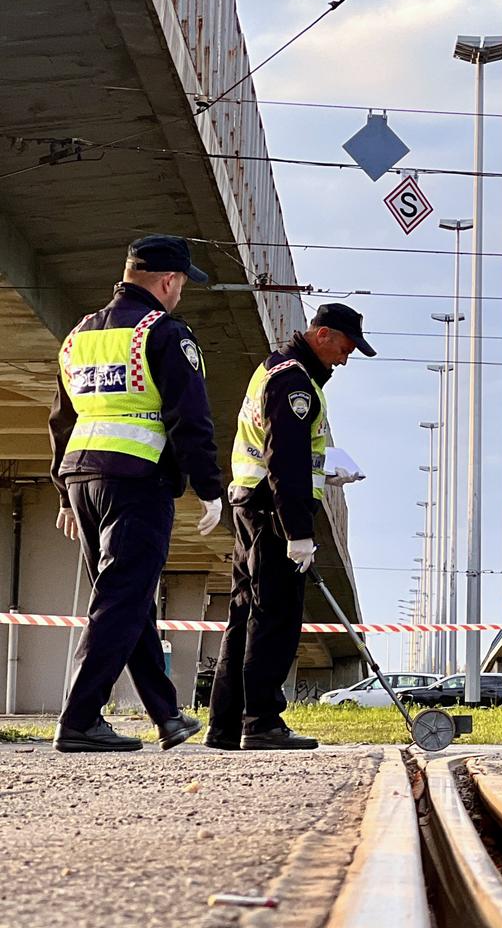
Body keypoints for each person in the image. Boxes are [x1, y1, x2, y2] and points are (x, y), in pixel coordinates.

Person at [50, 236, 225, 753]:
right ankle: (80, 719)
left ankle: (167, 715)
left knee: (128, 599)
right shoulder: (165, 333)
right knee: (123, 597)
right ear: (168, 281)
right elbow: (190, 417)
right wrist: (209, 488)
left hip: (82, 476)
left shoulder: (79, 334)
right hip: (137, 477)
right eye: (181, 285)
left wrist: (63, 491)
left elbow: (60, 417)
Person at [206, 303, 374, 750]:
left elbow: (288, 450)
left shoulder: (274, 369)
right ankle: (261, 722)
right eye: (345, 346)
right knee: (274, 616)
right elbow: (285, 459)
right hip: (271, 509)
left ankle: (225, 726)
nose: (345, 357)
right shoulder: (294, 380)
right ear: (321, 335)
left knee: (245, 613)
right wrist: (298, 531)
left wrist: (326, 468)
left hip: (252, 501)